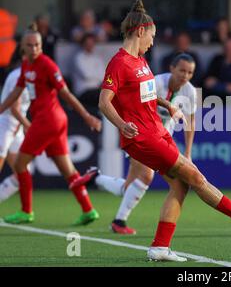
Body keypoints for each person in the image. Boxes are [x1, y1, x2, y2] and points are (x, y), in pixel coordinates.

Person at [90, 0, 231, 262]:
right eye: (152, 36)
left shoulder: (141, 61)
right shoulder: (119, 63)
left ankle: (160, 247)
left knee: (181, 185)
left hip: (158, 131)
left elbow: (146, 96)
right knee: (195, 177)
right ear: (140, 31)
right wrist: (122, 125)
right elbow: (103, 101)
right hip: (144, 137)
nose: (153, 42)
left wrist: (167, 104)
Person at [71, 53, 198, 235]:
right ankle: (119, 221)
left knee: (128, 188)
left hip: (160, 139)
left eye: (190, 72)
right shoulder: (156, 82)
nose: (185, 76)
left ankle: (96, 179)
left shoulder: (190, 92)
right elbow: (136, 103)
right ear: (172, 69)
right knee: (146, 176)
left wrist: (188, 152)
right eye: (182, 70)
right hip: (139, 133)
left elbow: (190, 122)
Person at [0, 23, 102, 225]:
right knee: (67, 169)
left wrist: (86, 116)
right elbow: (16, 93)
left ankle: (26, 211)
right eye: (30, 45)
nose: (34, 49)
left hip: (48, 120)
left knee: (20, 164)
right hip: (53, 121)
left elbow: (66, 94)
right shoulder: (26, 67)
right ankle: (88, 209)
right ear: (23, 47)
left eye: (37, 45)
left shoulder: (47, 65)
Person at [0, 58, 30, 204]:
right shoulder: (18, 76)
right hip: (4, 125)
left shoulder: (31, 76)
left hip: (16, 127)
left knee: (22, 173)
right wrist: (28, 125)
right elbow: (14, 108)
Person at [72, 33, 106, 107]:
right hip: (83, 91)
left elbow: (103, 76)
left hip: (97, 89)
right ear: (83, 44)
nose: (89, 45)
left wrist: (93, 76)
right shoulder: (78, 58)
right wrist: (97, 76)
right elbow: (86, 75)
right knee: (104, 97)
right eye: (87, 43)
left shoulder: (97, 58)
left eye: (92, 43)